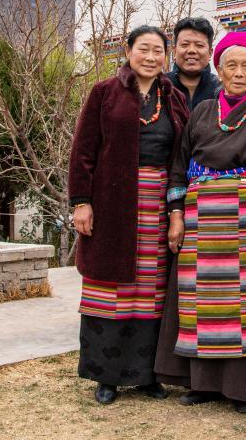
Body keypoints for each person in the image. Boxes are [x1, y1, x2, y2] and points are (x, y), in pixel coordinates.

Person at [155, 32, 246, 414]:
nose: (239, 72)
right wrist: (176, 215)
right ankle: (204, 384)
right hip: (200, 220)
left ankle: (244, 388)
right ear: (220, 69)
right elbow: (179, 166)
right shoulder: (201, 112)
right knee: (202, 300)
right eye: (231, 65)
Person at [69, 26, 190, 405]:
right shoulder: (104, 92)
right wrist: (81, 201)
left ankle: (146, 375)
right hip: (112, 203)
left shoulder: (173, 98)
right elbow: (83, 151)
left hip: (158, 201)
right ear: (128, 50)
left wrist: (176, 209)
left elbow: (182, 157)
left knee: (150, 292)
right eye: (144, 49)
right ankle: (106, 377)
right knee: (111, 290)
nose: (151, 57)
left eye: (158, 50)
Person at [167, 17, 221, 109]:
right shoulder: (161, 86)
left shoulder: (220, 90)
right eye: (185, 45)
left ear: (210, 53)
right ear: (174, 51)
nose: (191, 50)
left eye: (199, 45)